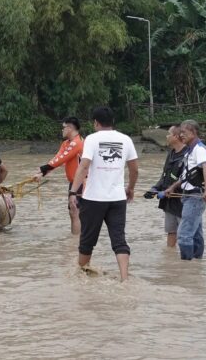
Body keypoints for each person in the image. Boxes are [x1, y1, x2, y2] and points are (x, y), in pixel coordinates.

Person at [69, 107, 137, 282]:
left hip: (93, 199)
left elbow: (83, 166)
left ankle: (81, 277)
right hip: (117, 198)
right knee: (119, 239)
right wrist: (130, 188)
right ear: (112, 121)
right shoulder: (126, 139)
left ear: (95, 123)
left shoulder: (92, 139)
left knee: (87, 240)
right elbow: (134, 169)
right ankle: (124, 279)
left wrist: (72, 192)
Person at [164, 120, 206, 260]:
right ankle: (197, 264)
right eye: (180, 133)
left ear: (193, 132)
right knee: (196, 234)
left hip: (195, 196)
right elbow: (186, 175)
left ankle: (186, 266)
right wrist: (172, 187)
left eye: (184, 132)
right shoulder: (190, 151)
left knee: (184, 234)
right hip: (187, 195)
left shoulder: (199, 149)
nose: (181, 135)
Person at [35, 117, 84, 235]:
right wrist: (43, 173)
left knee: (75, 212)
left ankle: (77, 242)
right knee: (73, 213)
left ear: (70, 128)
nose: (61, 130)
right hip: (74, 183)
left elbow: (62, 159)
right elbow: (57, 159)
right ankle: (75, 241)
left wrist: (43, 168)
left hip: (82, 182)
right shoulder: (66, 143)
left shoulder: (77, 142)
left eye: (63, 128)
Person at [143, 125, 187, 247]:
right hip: (169, 202)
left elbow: (186, 179)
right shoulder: (171, 154)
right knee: (171, 231)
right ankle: (170, 258)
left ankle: (188, 261)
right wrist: (155, 188)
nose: (166, 136)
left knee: (185, 234)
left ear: (176, 137)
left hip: (182, 201)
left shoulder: (188, 155)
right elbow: (164, 176)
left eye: (169, 134)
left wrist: (169, 190)